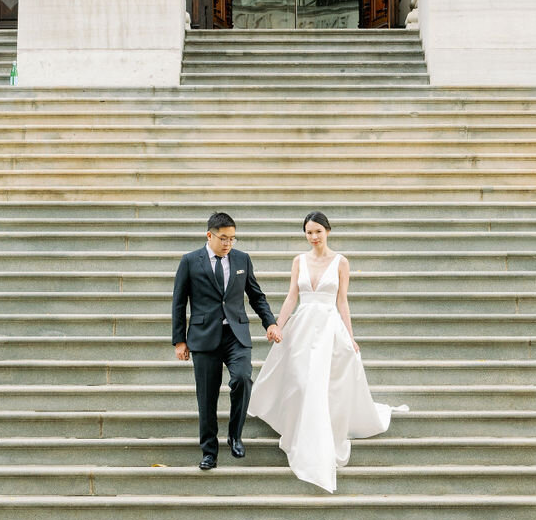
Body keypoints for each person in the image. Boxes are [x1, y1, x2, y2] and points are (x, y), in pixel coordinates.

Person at [248, 210, 407, 492]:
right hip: (303, 327)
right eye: (308, 232)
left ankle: (319, 435)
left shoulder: (341, 262)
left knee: (322, 384)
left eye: (317, 232)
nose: (313, 237)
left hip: (329, 328)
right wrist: (277, 325)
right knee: (299, 381)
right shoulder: (299, 261)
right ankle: (298, 429)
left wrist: (350, 335)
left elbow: (342, 301)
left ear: (327, 231)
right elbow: (291, 296)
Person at [171, 210, 281, 471]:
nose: (228, 243)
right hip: (203, 337)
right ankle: (209, 451)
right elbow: (179, 302)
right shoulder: (189, 261)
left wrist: (271, 322)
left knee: (243, 378)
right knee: (206, 397)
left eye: (233, 239)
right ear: (209, 235)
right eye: (223, 238)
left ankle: (235, 435)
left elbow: (256, 295)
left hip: (236, 334)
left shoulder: (242, 259)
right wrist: (179, 340)